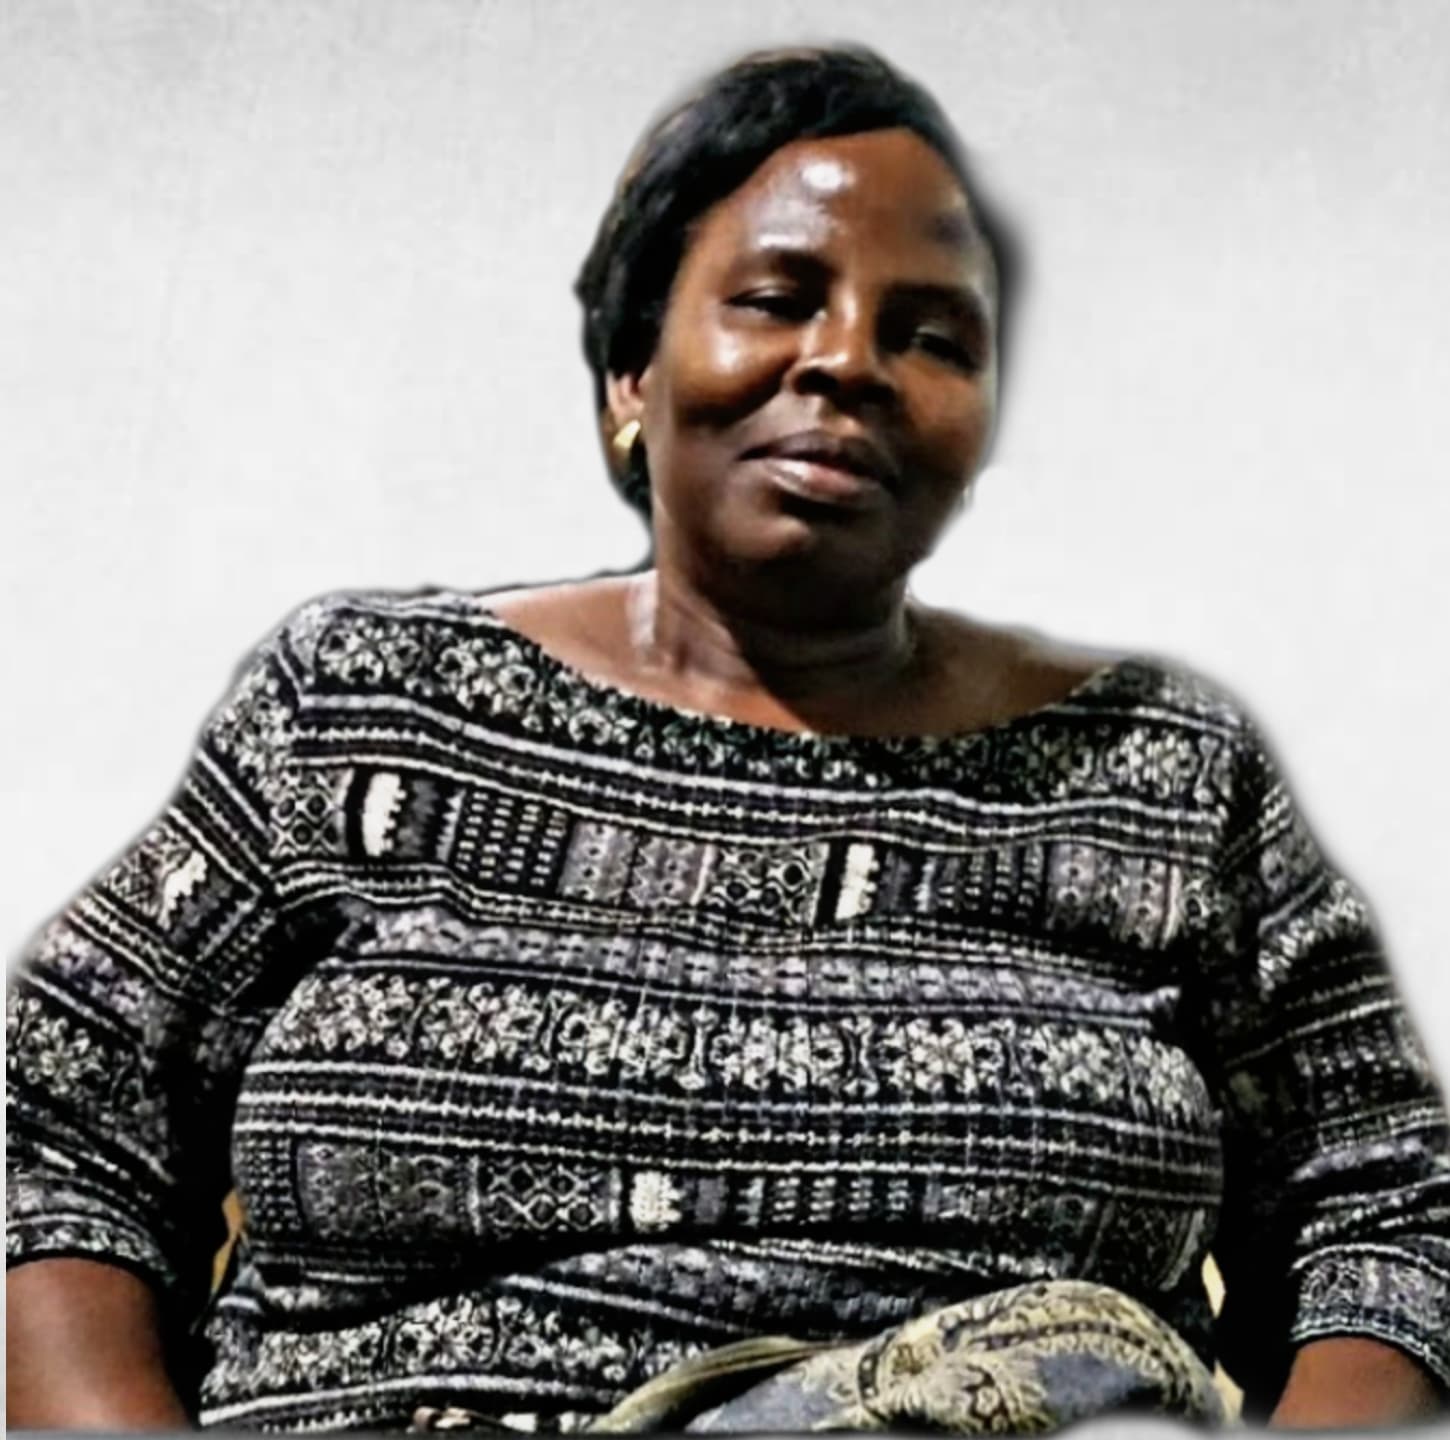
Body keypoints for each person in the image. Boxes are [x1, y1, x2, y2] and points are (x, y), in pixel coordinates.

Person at [6, 44, 1447, 1433]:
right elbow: (56, 1116)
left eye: (929, 337)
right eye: (775, 298)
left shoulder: (1159, 771)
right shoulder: (361, 707)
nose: (848, 362)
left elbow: (1388, 1206)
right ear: (631, 374)